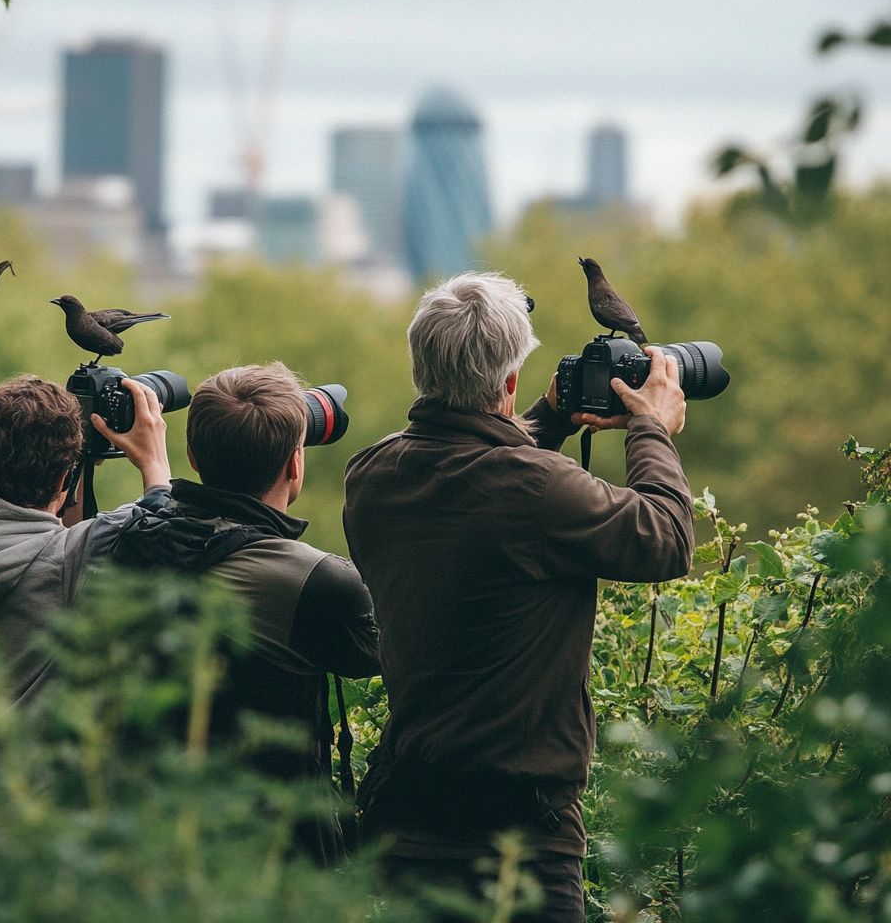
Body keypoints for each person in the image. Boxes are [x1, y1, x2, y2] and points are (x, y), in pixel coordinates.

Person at [343, 272, 693, 922]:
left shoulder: (372, 476)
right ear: (507, 384)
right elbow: (666, 538)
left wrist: (551, 417)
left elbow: (476, 475)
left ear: (422, 368)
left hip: (409, 829)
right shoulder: (538, 491)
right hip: (521, 846)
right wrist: (652, 429)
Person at [111, 362, 381, 866]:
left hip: (154, 842)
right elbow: (387, 650)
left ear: (192, 456)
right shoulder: (313, 579)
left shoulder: (132, 543)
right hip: (275, 854)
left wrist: (156, 485)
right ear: (295, 464)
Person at [0, 374, 171, 746]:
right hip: (35, 801)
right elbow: (162, 524)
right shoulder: (71, 559)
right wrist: (155, 467)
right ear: (63, 478)